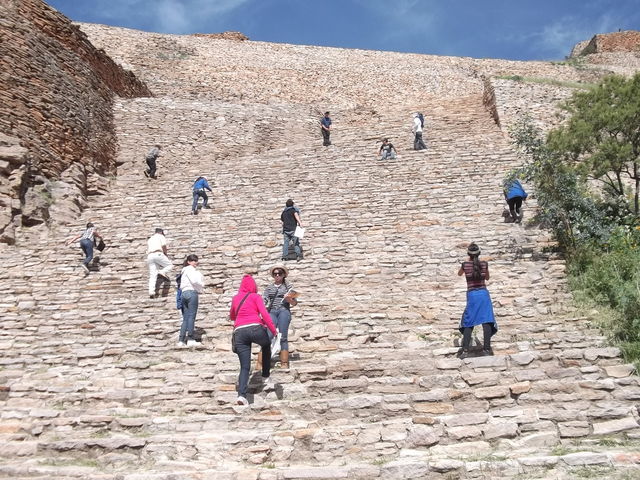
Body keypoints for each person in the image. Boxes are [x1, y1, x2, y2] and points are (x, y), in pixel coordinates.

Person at [230, 274, 279, 406]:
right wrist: (273, 331)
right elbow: (264, 314)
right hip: (255, 328)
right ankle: (265, 375)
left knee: (245, 366)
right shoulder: (255, 296)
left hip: (239, 331)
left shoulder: (235, 298)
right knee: (266, 345)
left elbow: (232, 316)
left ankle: (241, 395)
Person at [457, 243, 497, 359]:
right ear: (479, 253)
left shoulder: (465, 265)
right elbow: (487, 278)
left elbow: (459, 274)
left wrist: (466, 262)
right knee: (487, 320)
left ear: (468, 253)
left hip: (472, 295)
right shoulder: (484, 264)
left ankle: (465, 350)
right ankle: (487, 349)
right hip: (483, 294)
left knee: (469, 321)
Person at [261, 266, 298, 370]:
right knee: (268, 335)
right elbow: (264, 300)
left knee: (283, 336)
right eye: (275, 274)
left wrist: (289, 299)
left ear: (283, 275)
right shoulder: (269, 288)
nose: (277, 275)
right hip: (272, 311)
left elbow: (294, 303)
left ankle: (284, 362)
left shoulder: (288, 287)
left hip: (283, 310)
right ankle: (262, 361)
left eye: (279, 273)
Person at [177, 254, 204, 347]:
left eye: (196, 260)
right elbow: (195, 281)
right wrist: (201, 286)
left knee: (185, 318)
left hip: (183, 293)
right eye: (193, 260)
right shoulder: (191, 270)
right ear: (189, 262)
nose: (195, 262)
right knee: (191, 316)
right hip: (191, 292)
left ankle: (181, 340)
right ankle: (191, 338)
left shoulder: (183, 271)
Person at [147, 228, 172, 298]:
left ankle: (151, 291)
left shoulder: (150, 239)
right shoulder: (161, 236)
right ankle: (162, 272)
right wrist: (165, 253)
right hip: (158, 253)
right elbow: (164, 245)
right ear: (161, 232)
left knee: (152, 275)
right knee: (169, 265)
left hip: (150, 256)